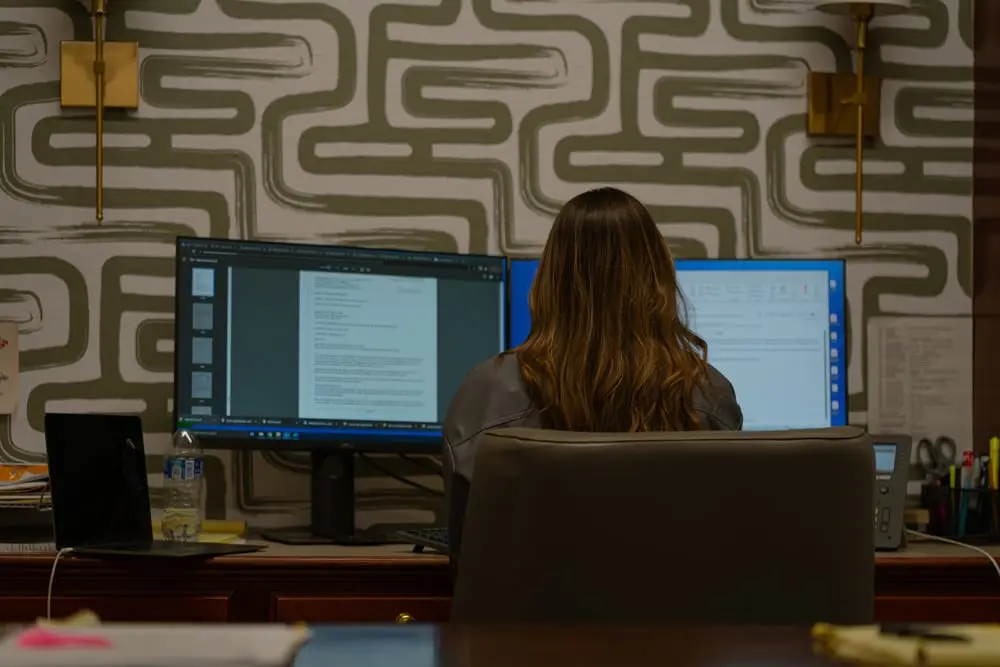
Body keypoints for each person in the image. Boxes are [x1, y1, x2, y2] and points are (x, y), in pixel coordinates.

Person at [442, 186, 743, 568]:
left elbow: (466, 558)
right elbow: (722, 551)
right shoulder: (708, 393)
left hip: (519, 628)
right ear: (658, 278)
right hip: (671, 626)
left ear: (551, 278)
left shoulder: (486, 390)